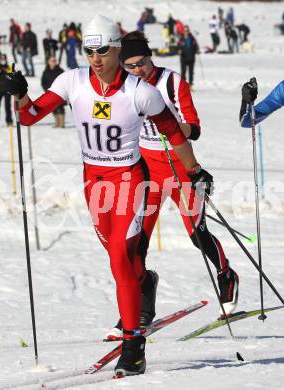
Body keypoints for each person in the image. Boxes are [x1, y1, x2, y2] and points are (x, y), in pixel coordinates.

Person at [2, 15, 212, 377]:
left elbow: (175, 134)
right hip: (93, 182)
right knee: (124, 263)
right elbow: (30, 117)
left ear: (116, 49)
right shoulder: (72, 81)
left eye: (102, 50)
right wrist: (20, 93)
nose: (95, 58)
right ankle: (145, 284)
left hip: (130, 180)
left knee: (119, 259)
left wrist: (193, 171)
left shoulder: (140, 91)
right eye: (89, 50)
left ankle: (134, 347)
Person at [105, 30, 239, 342]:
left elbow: (194, 129)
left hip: (180, 167)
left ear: (151, 56)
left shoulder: (172, 82)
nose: (140, 70)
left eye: (144, 62)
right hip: (147, 171)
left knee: (197, 233)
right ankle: (142, 297)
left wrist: (164, 120)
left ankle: (226, 274)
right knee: (135, 244)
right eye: (132, 66)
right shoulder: (122, 87)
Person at [41, 56, 66, 127]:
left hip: (60, 93)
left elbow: (65, 81)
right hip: (50, 93)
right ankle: (57, 122)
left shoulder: (60, 71)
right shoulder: (45, 72)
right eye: (52, 61)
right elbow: (43, 83)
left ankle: (62, 123)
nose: (53, 62)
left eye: (54, 61)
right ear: (48, 62)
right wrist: (47, 90)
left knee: (60, 107)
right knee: (52, 108)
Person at [0, 53, 13, 127]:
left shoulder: (9, 67)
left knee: (7, 106)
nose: (3, 60)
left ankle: (9, 121)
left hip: (7, 89)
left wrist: (6, 71)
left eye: (4, 59)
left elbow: (12, 76)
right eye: (1, 59)